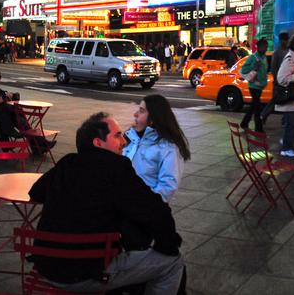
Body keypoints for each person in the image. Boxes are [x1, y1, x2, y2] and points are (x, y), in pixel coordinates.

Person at [29, 112, 184, 294]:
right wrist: (169, 244)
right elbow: (156, 211)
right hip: (87, 274)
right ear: (98, 143)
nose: (124, 142)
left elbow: (36, 192)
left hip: (46, 267)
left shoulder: (67, 163)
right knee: (173, 262)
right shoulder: (118, 168)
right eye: (117, 136)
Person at [123, 94, 191, 203]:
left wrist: (145, 205)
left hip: (144, 210)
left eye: (141, 111)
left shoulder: (168, 148)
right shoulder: (131, 137)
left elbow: (167, 187)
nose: (135, 114)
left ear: (153, 118)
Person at [238, 38, 269, 132]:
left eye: (266, 47)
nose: (265, 49)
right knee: (257, 108)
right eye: (264, 47)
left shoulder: (264, 57)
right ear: (259, 47)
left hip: (260, 86)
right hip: (254, 86)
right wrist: (254, 66)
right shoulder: (253, 57)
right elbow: (243, 70)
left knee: (253, 106)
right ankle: (258, 129)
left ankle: (244, 123)